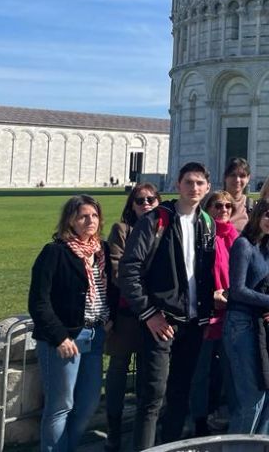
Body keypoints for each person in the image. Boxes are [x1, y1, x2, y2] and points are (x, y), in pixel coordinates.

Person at [118, 162, 216, 450]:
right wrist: (149, 314)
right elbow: (129, 269)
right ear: (177, 184)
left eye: (200, 183)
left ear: (207, 188)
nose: (194, 188)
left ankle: (171, 445)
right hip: (163, 322)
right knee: (152, 397)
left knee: (180, 393)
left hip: (194, 322)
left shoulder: (206, 223)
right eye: (189, 182)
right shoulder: (156, 220)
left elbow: (205, 274)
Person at [29, 195, 113, 452]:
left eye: (94, 216)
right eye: (83, 216)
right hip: (66, 339)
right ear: (71, 221)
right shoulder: (55, 252)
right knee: (60, 406)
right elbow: (38, 302)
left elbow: (110, 290)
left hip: (95, 335)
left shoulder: (102, 251)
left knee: (87, 404)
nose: (90, 221)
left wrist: (109, 319)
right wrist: (59, 337)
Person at [224, 197, 269, 434]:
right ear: (258, 215)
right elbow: (238, 289)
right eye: (268, 215)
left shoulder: (268, 247)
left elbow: (263, 287)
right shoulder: (244, 245)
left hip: (262, 324)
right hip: (241, 325)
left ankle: (261, 443)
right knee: (253, 398)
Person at [104, 185, 159, 451]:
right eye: (140, 200)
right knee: (118, 369)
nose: (146, 204)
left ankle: (143, 426)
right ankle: (113, 429)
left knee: (149, 373)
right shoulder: (122, 230)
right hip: (128, 313)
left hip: (156, 315)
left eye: (151, 199)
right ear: (132, 205)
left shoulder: (165, 230)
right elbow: (117, 272)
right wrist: (145, 298)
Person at [189, 191, 239, 436]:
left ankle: (225, 414)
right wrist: (210, 297)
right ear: (207, 208)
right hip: (208, 314)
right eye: (218, 205)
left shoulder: (235, 237)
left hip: (232, 314)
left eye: (228, 206)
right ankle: (199, 420)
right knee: (202, 371)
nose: (224, 209)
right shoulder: (201, 236)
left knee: (229, 369)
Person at [222, 157, 252, 232]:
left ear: (248, 178)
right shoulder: (214, 202)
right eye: (233, 175)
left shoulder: (251, 206)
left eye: (242, 176)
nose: (237, 180)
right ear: (225, 177)